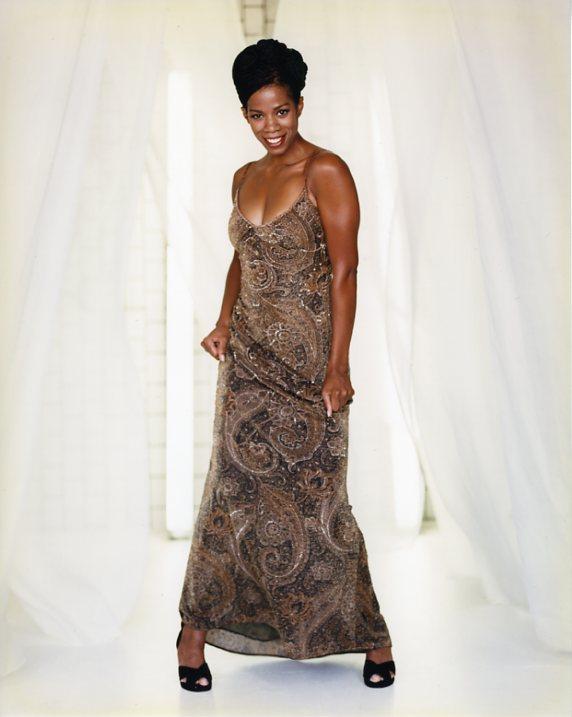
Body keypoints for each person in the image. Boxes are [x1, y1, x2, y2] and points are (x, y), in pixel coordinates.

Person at [176, 38, 395, 691]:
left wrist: (338, 367)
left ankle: (373, 636)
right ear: (244, 113)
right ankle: (193, 633)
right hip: (246, 364)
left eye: (281, 111)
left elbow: (345, 271)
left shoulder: (326, 170)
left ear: (299, 104)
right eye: (256, 114)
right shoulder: (244, 177)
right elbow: (242, 259)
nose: (270, 126)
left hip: (308, 370)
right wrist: (223, 320)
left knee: (321, 503)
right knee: (229, 497)